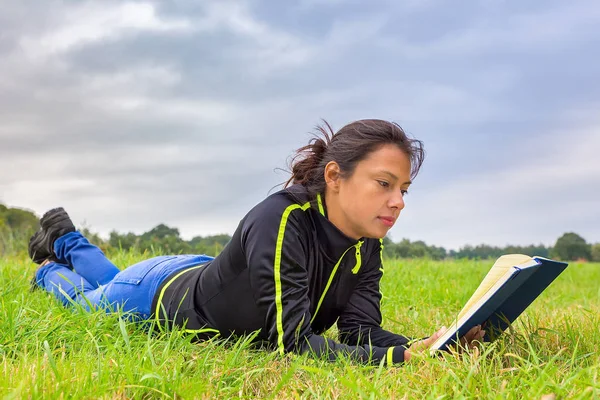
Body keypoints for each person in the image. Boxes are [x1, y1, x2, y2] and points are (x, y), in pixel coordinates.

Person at [29, 119, 484, 366]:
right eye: (384, 184)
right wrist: (398, 359)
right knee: (91, 301)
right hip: (159, 294)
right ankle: (53, 262)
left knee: (112, 282)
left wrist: (429, 345)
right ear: (334, 177)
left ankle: (64, 237)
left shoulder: (365, 243)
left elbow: (359, 331)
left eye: (403, 189)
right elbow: (291, 344)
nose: (398, 201)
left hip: (201, 270)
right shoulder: (283, 219)